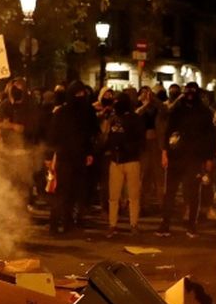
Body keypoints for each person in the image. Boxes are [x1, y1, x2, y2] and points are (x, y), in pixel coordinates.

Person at [157, 82, 216, 238]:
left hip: (194, 158)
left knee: (193, 193)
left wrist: (209, 158)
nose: (190, 95)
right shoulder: (178, 110)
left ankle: (191, 225)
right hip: (176, 157)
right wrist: (165, 152)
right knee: (170, 192)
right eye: (187, 91)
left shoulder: (204, 112)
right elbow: (168, 131)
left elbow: (210, 136)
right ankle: (165, 224)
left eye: (192, 91)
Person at [46, 82, 97, 235]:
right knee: (61, 192)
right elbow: (52, 136)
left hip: (79, 157)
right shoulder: (61, 113)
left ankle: (68, 224)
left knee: (74, 192)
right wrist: (49, 156)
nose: (80, 97)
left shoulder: (86, 112)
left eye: (82, 94)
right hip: (64, 157)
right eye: (77, 94)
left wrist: (89, 153)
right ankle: (54, 225)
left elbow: (89, 135)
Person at [102, 93, 146, 236]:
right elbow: (109, 137)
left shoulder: (135, 119)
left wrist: (127, 147)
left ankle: (133, 224)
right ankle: (112, 224)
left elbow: (141, 140)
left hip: (131, 160)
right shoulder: (114, 119)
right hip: (116, 160)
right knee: (114, 196)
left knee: (133, 195)